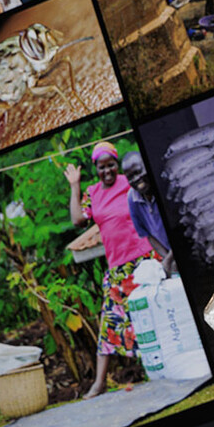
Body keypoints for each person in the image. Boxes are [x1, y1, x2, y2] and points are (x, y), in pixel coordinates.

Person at [65, 142, 159, 399]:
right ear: (95, 168)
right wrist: (75, 186)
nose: (107, 170)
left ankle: (159, 367)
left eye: (110, 165)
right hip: (118, 268)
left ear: (116, 165)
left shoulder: (128, 181)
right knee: (111, 323)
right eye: (101, 166)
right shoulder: (92, 192)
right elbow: (76, 220)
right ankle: (99, 383)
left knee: (154, 313)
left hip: (144, 259)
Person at [120, 151, 176, 276]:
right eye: (130, 177)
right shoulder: (132, 198)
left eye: (138, 172)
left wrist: (169, 259)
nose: (136, 179)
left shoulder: (165, 186)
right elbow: (148, 234)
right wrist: (167, 258)